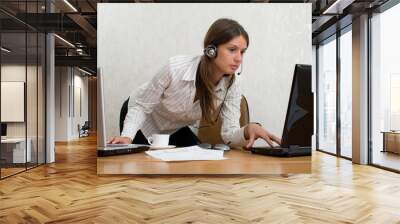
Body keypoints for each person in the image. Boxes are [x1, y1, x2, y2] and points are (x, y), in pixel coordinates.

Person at [108, 18, 281, 149]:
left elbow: (228, 134)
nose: (239, 58)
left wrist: (247, 129)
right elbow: (142, 107)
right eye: (232, 49)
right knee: (142, 166)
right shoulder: (175, 68)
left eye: (242, 52)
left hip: (176, 126)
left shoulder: (233, 84)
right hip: (144, 118)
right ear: (211, 50)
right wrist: (127, 137)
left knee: (196, 158)